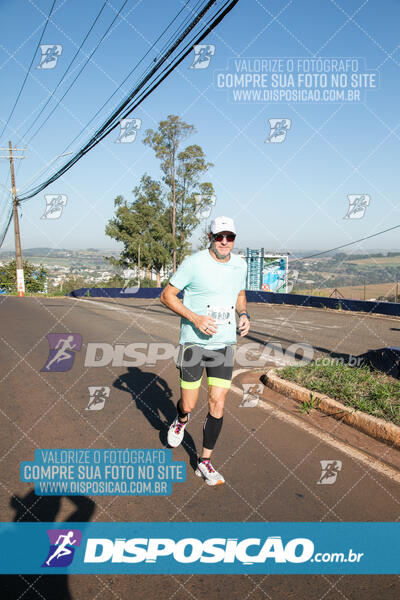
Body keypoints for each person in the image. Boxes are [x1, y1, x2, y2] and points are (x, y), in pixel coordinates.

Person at [160, 216, 250, 486]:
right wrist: (195, 318)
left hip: (224, 343)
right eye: (219, 236)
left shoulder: (240, 265)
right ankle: (181, 418)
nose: (224, 242)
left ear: (234, 239)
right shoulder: (194, 263)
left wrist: (243, 314)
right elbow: (167, 295)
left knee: (218, 403)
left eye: (229, 237)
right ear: (210, 237)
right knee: (189, 403)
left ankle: (204, 462)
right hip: (194, 343)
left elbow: (239, 294)